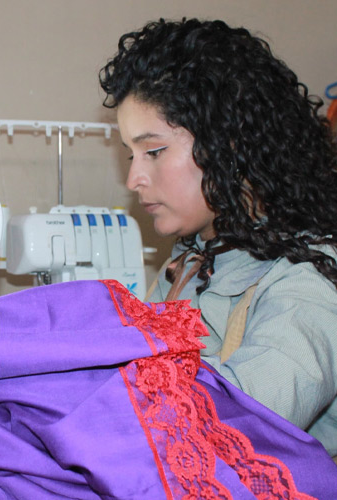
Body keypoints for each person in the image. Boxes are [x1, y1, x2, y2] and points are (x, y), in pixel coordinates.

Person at [99, 18, 337, 457]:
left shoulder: (310, 277)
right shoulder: (193, 258)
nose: (134, 178)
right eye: (131, 155)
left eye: (153, 151)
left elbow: (241, 425)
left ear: (229, 143)